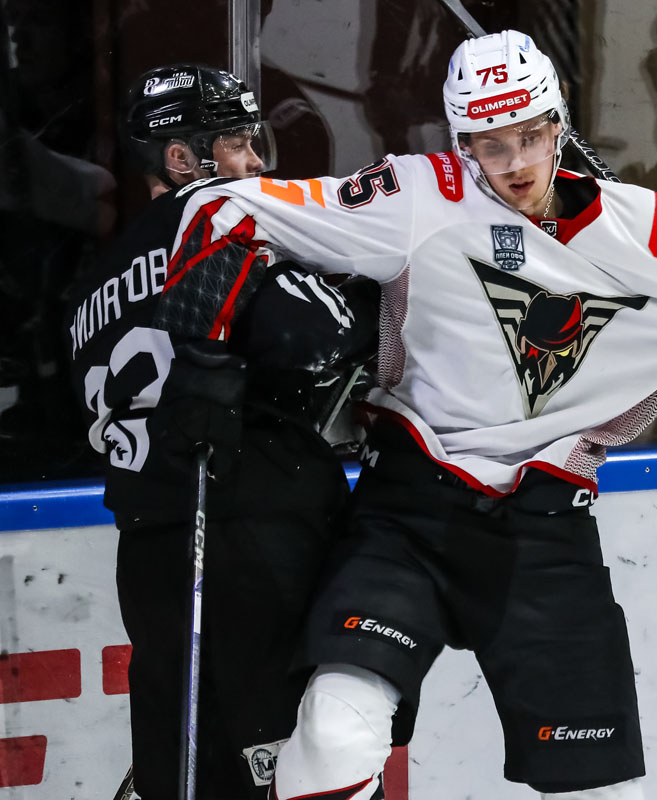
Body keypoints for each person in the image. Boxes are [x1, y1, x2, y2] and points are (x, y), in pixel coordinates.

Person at [160, 30, 657, 800]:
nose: (514, 163)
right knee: (333, 735)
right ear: (461, 142)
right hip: (407, 514)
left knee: (602, 794)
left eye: (531, 136)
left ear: (559, 122)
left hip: (546, 530)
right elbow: (218, 206)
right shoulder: (418, 198)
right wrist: (205, 350)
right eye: (490, 144)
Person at [64, 64, 373, 799]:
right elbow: (309, 337)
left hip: (148, 552)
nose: (256, 162)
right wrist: (371, 307)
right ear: (182, 158)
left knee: (185, 777)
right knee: (299, 773)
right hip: (249, 533)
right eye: (237, 142)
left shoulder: (89, 286)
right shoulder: (217, 219)